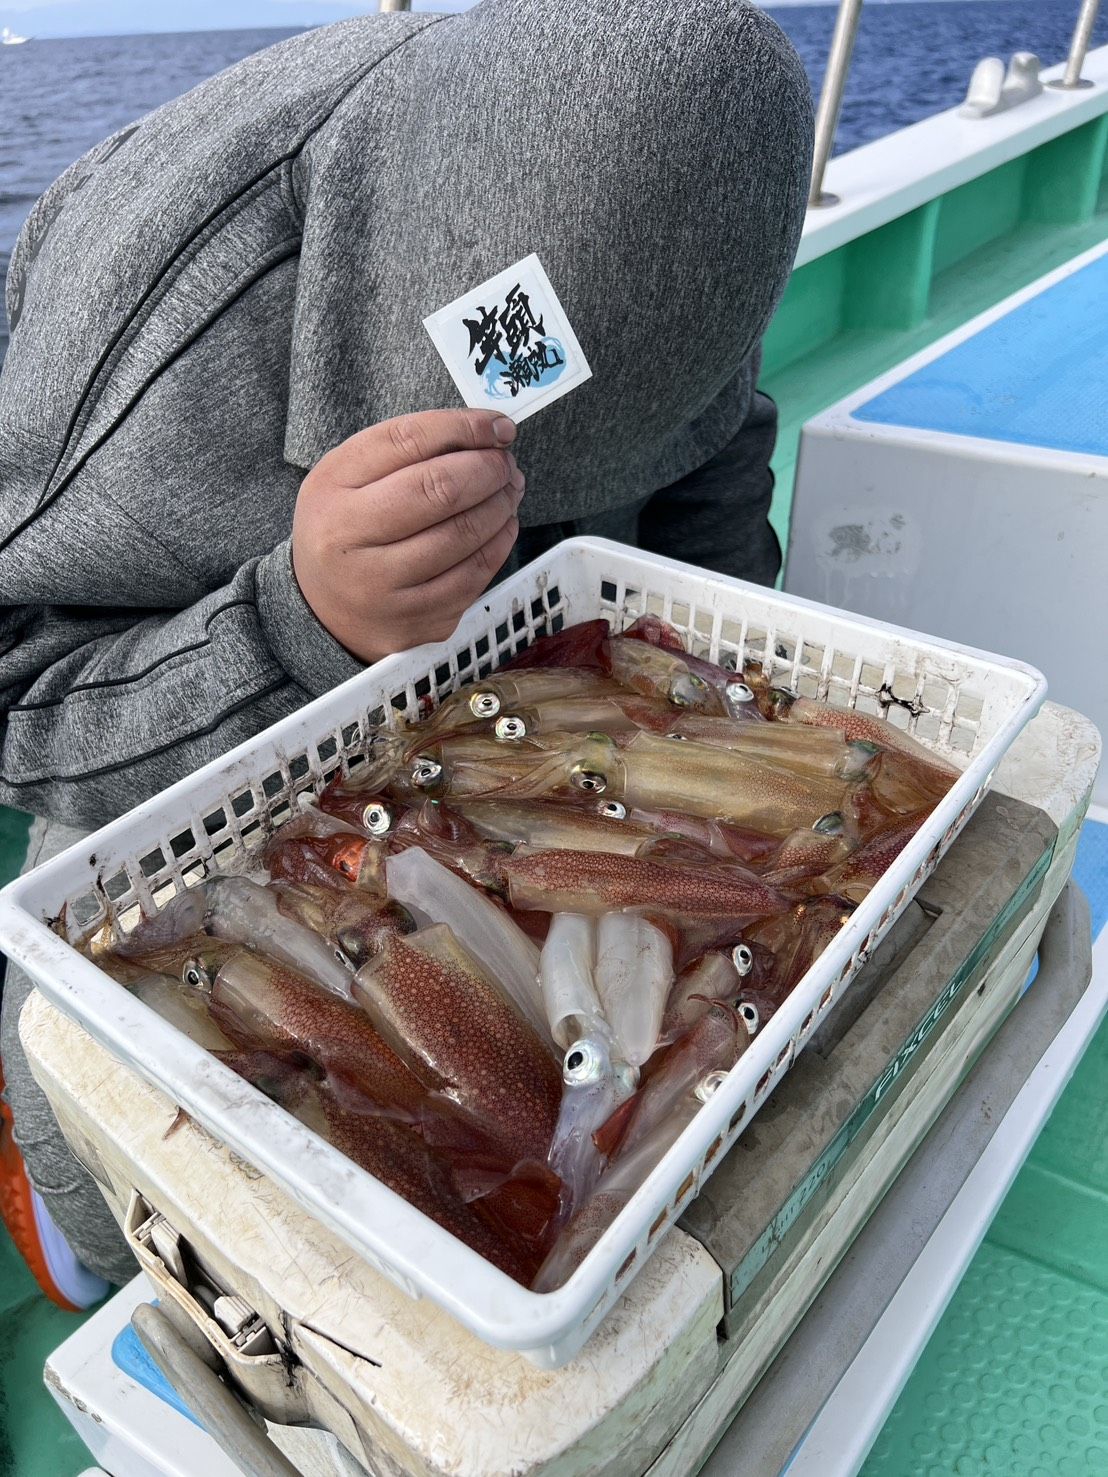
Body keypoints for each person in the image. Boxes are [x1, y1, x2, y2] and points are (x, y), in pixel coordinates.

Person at [0, 0, 812, 1288]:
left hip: (517, 760)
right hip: (180, 727)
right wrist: (301, 621)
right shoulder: (135, 353)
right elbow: (20, 699)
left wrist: (711, 711)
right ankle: (80, 1238)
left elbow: (714, 449)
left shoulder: (686, 199)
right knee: (100, 1139)